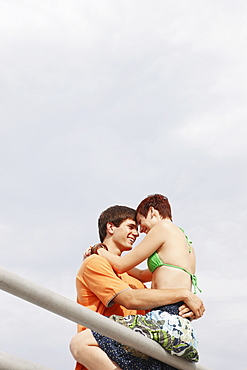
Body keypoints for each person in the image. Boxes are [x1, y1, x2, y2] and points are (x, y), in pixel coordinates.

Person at [70, 204, 205, 370]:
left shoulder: (135, 281)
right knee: (80, 343)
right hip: (102, 358)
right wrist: (184, 294)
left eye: (138, 227)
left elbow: (157, 304)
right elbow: (129, 299)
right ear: (111, 227)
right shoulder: (95, 263)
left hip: (135, 354)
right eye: (131, 227)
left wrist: (186, 307)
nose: (137, 233)